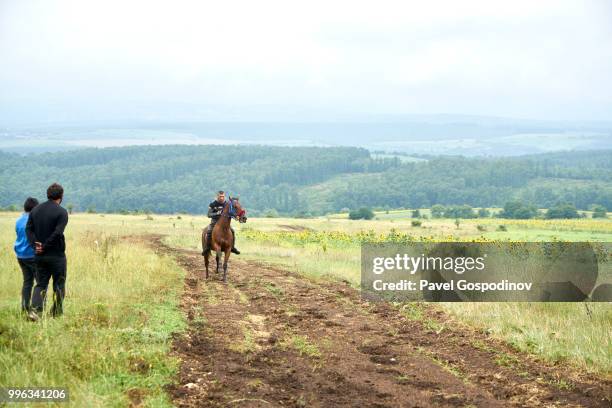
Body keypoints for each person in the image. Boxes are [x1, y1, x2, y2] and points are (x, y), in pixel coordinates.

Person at [26, 183, 69, 321]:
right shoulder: (62, 212)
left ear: (47, 194)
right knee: (59, 284)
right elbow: (57, 233)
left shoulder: (35, 210)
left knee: (40, 284)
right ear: (61, 196)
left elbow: (29, 229)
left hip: (39, 255)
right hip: (56, 255)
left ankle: (36, 312)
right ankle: (56, 313)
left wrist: (35, 245)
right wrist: (45, 246)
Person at [14, 197, 39, 313]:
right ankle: (36, 309)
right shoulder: (34, 220)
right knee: (40, 283)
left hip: (20, 255)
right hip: (31, 255)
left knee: (27, 282)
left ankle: (25, 308)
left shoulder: (18, 220)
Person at [203, 190, 240, 255]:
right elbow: (209, 214)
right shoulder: (212, 204)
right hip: (215, 221)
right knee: (209, 231)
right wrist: (217, 213)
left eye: (223, 196)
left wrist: (236, 216)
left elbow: (230, 213)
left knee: (232, 231)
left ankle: (232, 247)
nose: (222, 198)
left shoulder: (226, 204)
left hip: (224, 223)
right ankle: (207, 248)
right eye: (220, 196)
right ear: (217, 196)